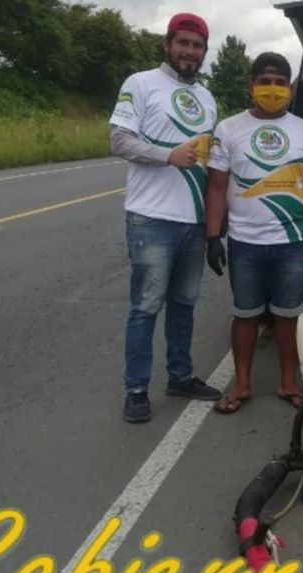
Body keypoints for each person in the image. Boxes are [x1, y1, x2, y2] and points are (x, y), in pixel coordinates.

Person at [204, 52, 303, 413]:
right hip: (244, 242)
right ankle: (241, 385)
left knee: (288, 316)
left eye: (279, 82)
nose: (272, 89)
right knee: (244, 316)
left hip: (291, 243)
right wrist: (212, 237)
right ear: (252, 86)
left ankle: (288, 382)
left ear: (290, 88)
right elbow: (216, 187)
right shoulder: (228, 129)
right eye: (265, 82)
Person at [110, 13, 222, 423]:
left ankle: (181, 375)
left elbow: (211, 162)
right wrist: (166, 156)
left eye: (197, 45)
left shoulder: (207, 99)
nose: (190, 51)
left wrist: (216, 223)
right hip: (152, 217)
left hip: (193, 219)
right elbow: (119, 140)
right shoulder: (140, 83)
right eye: (183, 43)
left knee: (184, 304)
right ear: (167, 44)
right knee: (145, 306)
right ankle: (136, 388)